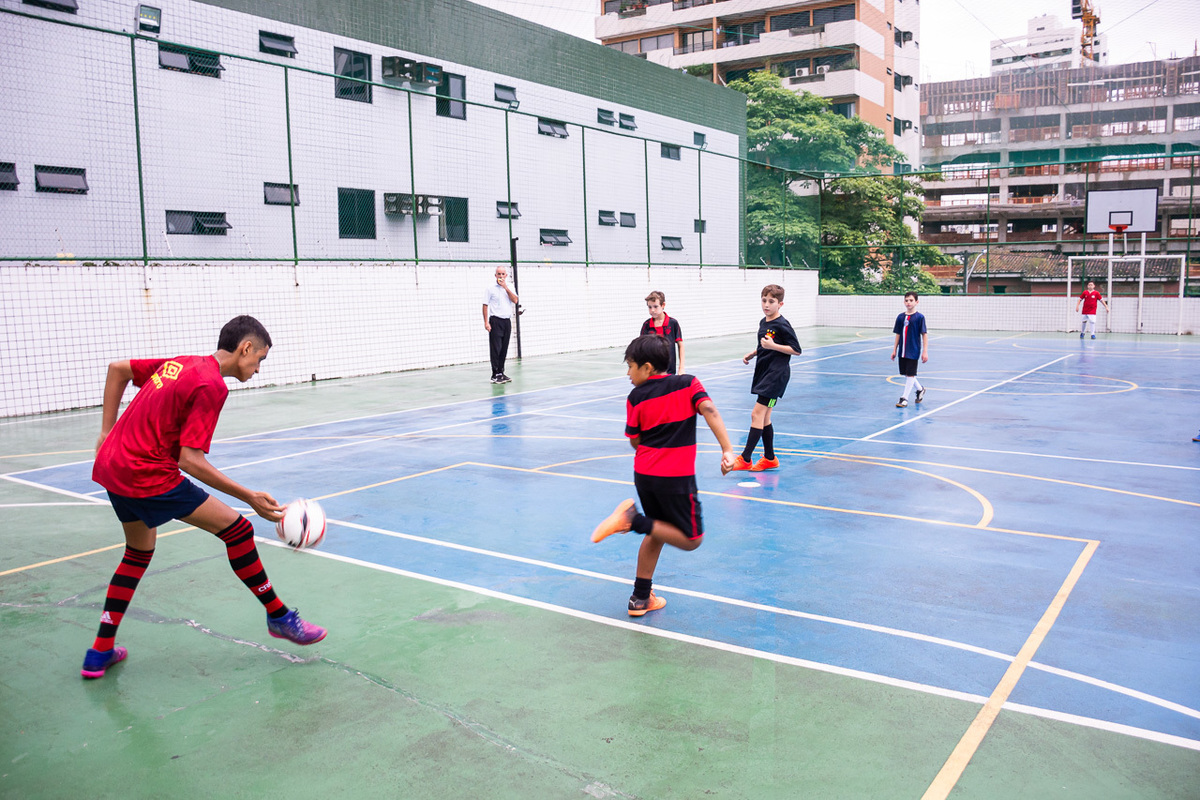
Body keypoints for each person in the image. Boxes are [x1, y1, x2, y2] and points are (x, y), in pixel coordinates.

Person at [82, 316, 325, 679]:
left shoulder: (184, 362)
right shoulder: (213, 385)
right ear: (244, 349)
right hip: (147, 474)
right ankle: (279, 617)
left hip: (112, 467)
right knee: (239, 531)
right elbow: (189, 460)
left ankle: (100, 651)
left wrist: (106, 432)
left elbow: (118, 369)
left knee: (137, 554)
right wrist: (249, 497)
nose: (258, 369)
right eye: (259, 359)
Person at [591, 335, 736, 616]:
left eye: (630, 367)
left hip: (644, 475)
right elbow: (709, 409)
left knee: (659, 530)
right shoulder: (688, 383)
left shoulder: (635, 397)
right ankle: (634, 520)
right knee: (692, 539)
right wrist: (727, 449)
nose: (628, 374)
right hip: (675, 479)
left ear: (646, 368)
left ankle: (640, 597)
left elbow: (635, 440)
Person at [728, 284, 802, 472]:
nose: (766, 305)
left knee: (756, 414)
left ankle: (745, 458)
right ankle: (770, 458)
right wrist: (754, 353)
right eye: (764, 300)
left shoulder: (782, 325)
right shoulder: (764, 322)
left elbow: (796, 350)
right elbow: (764, 344)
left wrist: (773, 347)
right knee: (765, 417)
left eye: (771, 301)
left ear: (780, 304)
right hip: (764, 372)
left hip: (775, 376)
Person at [890, 291, 929, 409]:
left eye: (911, 300)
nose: (908, 302)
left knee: (910, 374)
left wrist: (925, 351)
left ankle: (904, 398)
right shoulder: (900, 317)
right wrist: (894, 349)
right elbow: (897, 334)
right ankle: (920, 389)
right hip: (902, 350)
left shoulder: (920, 317)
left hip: (914, 350)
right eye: (906, 300)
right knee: (908, 374)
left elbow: (924, 334)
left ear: (916, 302)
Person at [483, 266, 519, 384]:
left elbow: (515, 300)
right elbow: (485, 305)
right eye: (499, 274)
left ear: (506, 276)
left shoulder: (510, 287)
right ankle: (495, 374)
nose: (501, 276)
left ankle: (501, 372)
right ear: (495, 275)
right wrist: (486, 322)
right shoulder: (490, 288)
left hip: (506, 321)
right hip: (495, 320)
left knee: (504, 348)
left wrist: (506, 288)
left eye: (503, 274)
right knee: (496, 348)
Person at [639, 291, 684, 375]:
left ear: (663, 305)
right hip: (652, 371)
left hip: (670, 371)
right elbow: (641, 348)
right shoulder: (646, 325)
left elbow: (680, 345)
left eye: (655, 306)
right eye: (649, 307)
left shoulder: (673, 323)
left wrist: (681, 368)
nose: (652, 310)